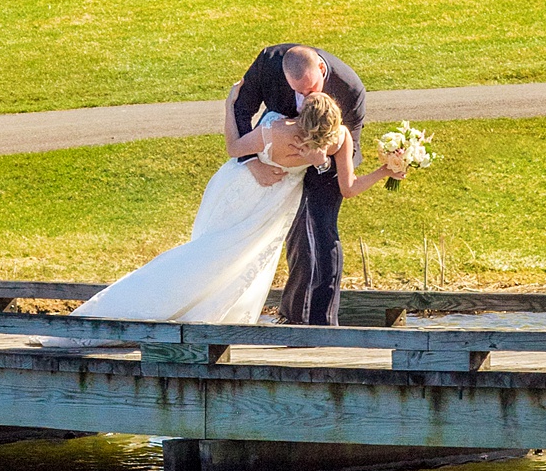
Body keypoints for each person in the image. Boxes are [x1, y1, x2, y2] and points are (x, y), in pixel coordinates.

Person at [74, 87, 405, 326]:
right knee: (213, 255)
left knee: (229, 259)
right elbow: (349, 188)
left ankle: (174, 312)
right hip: (244, 193)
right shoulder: (339, 139)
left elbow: (233, 147)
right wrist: (384, 171)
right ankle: (170, 308)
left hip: (262, 201)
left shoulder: (277, 129)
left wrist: (230, 105)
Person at [227, 44, 369, 324]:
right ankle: (294, 315)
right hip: (275, 153)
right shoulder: (269, 63)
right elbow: (241, 109)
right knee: (292, 233)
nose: (305, 99)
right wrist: (252, 161)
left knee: (320, 227)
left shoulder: (349, 88)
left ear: (321, 68)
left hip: (327, 160)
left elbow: (351, 151)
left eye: (311, 89)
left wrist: (321, 161)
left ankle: (322, 320)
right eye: (298, 92)